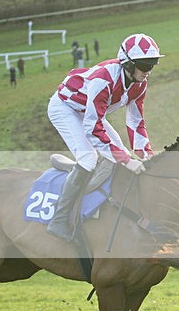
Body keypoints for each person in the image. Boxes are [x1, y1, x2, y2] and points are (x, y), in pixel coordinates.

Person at [45, 33, 163, 240]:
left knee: (120, 152)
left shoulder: (139, 83)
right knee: (89, 158)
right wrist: (126, 161)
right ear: (128, 64)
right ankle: (59, 219)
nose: (148, 72)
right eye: (145, 66)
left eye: (152, 65)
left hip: (88, 111)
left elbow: (135, 122)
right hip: (65, 108)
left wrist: (146, 156)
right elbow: (92, 129)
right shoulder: (103, 80)